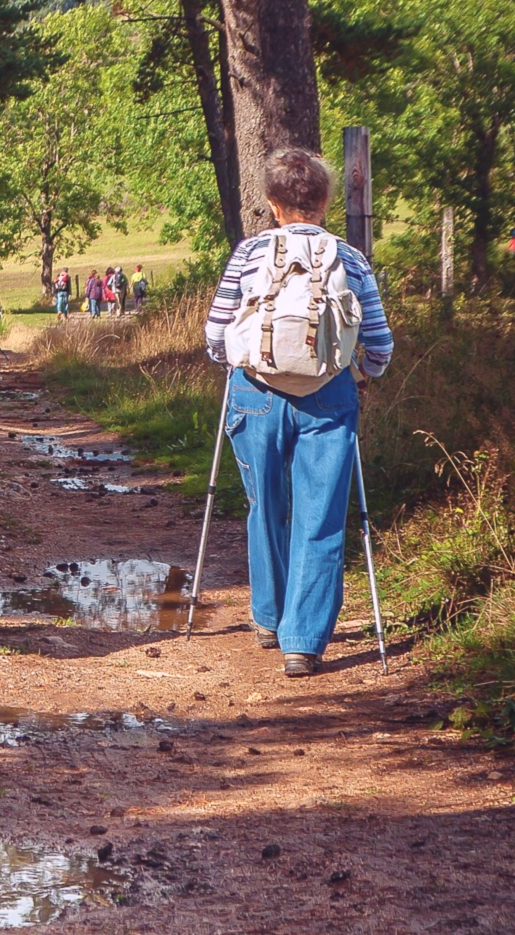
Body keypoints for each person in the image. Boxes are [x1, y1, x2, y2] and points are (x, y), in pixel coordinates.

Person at [203, 148, 393, 678]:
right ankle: (302, 643)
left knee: (266, 504)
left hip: (255, 393)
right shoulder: (351, 260)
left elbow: (216, 335)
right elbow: (379, 344)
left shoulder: (247, 254)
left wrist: (237, 362)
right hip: (329, 396)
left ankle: (267, 617)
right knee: (322, 516)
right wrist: (361, 374)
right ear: (326, 201)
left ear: (271, 203)